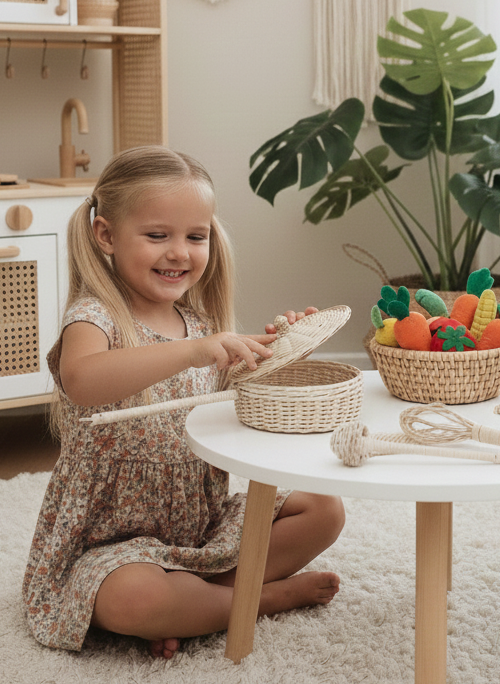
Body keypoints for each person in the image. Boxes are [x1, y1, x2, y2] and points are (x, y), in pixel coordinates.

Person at [22, 146, 345, 659]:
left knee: (324, 509)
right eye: (157, 236)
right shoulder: (95, 315)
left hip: (200, 524)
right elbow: (81, 378)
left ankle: (197, 604)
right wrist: (195, 350)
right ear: (105, 235)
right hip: (111, 544)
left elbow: (236, 395)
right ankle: (257, 601)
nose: (180, 253)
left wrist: (280, 346)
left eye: (196, 237)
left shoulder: (197, 322)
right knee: (136, 597)